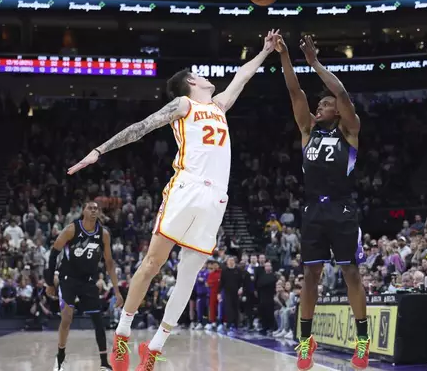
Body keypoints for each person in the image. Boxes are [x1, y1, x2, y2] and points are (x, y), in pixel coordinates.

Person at [67, 30, 280, 371]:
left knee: (187, 277)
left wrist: (265, 51)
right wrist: (99, 150)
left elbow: (243, 76)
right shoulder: (185, 104)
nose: (209, 78)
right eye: (201, 75)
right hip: (188, 187)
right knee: (153, 263)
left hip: (216, 199)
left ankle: (153, 348)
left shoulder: (220, 105)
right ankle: (122, 336)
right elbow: (144, 126)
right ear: (192, 81)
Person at [276, 35, 368, 370]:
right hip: (313, 208)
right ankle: (305, 341)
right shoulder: (307, 131)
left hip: (342, 207)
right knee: (310, 275)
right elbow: (294, 92)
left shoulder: (350, 132)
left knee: (350, 272)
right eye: (320, 105)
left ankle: (362, 340)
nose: (320, 107)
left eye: (325, 105)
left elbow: (342, 94)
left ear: (338, 111)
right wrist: (285, 55)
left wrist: (314, 62)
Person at [45, 202, 123, 371]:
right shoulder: (71, 229)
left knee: (98, 320)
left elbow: (109, 263)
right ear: (84, 211)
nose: (94, 210)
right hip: (68, 278)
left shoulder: (104, 234)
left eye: (97, 208)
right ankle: (60, 358)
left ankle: (104, 363)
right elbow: (53, 254)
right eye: (90, 208)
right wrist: (50, 282)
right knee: (67, 318)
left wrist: (117, 291)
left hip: (88, 280)